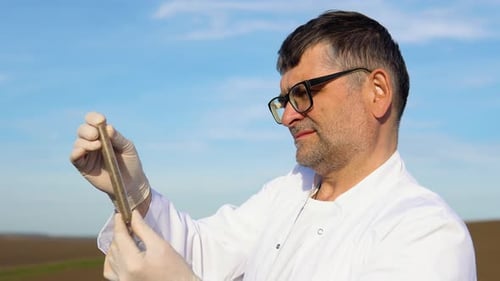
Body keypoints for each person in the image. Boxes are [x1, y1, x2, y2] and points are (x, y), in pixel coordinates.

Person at [70, 10, 476, 281]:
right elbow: (202, 253)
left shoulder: (427, 236)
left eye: (304, 92)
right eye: (284, 100)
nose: (287, 116)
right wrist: (133, 191)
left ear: (377, 90)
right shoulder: (287, 191)